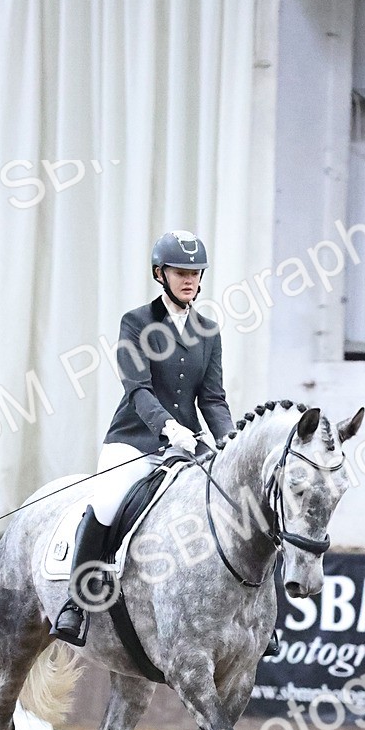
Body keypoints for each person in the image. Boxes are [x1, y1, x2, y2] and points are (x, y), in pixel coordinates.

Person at [51, 230, 235, 645]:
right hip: (136, 437)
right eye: (180, 271)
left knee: (236, 497)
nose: (189, 279)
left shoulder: (208, 330)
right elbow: (137, 388)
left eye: (195, 272)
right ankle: (75, 605)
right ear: (160, 273)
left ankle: (257, 617)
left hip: (189, 441)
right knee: (107, 502)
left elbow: (213, 398)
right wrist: (168, 428)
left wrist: (228, 443)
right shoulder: (137, 322)